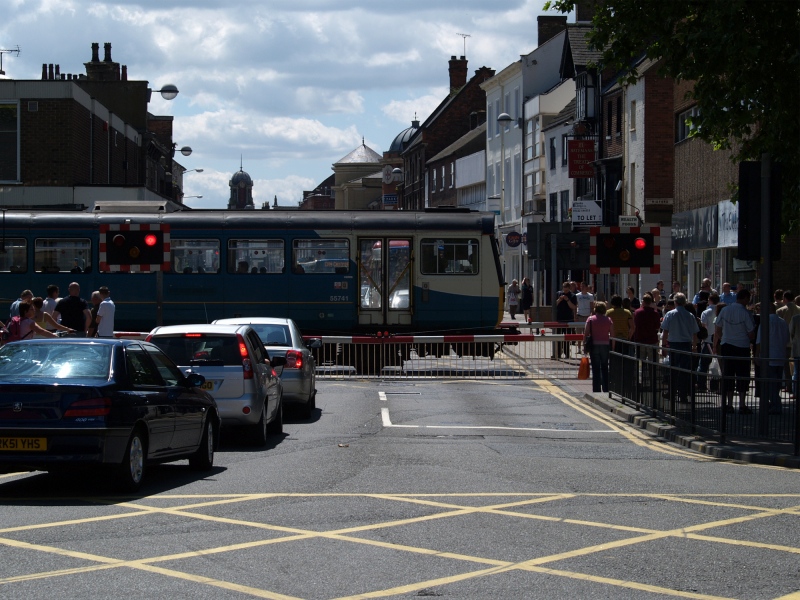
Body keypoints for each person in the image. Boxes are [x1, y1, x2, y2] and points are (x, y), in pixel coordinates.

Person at [714, 288, 755, 414]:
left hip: (727, 345)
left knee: (728, 374)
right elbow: (751, 333)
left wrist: (723, 338)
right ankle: (742, 404)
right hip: (742, 347)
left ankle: (729, 404)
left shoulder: (725, 310)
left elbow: (717, 328)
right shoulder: (746, 313)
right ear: (745, 298)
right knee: (742, 375)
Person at [660, 293, 699, 404]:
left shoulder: (670, 314)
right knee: (684, 371)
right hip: (686, 345)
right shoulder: (690, 315)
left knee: (673, 370)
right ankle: (683, 395)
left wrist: (663, 346)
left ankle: (671, 393)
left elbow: (665, 331)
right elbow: (695, 333)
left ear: (675, 302)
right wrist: (694, 347)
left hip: (674, 345)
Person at [755, 302, 790, 415]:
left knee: (770, 383)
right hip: (780, 355)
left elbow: (759, 341)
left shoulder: (765, 322)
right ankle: (774, 402)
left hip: (768, 356)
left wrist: (756, 355)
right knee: (777, 382)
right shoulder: (783, 322)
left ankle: (776, 404)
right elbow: (787, 338)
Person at [633, 293, 662, 387]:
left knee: (639, 363)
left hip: (640, 340)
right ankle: (653, 383)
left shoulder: (637, 312)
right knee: (653, 364)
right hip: (652, 341)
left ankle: (640, 383)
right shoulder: (655, 313)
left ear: (643, 301)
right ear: (650, 302)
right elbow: (657, 327)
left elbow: (634, 325)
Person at [584, 302, 612, 393]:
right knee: (604, 367)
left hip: (594, 345)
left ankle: (596, 390)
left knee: (595, 369)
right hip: (605, 345)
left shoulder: (590, 319)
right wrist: (613, 347)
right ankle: (606, 389)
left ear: (595, 309)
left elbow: (586, 333)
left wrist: (585, 345)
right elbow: (613, 334)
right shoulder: (608, 320)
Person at [776, 290, 800, 387]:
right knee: (796, 368)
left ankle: (788, 385)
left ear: (785, 299)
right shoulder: (799, 309)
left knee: (786, 366)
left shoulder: (780, 311)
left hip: (785, 342)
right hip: (797, 342)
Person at [696, 292, 720, 391]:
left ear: (709, 300)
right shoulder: (720, 311)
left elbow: (704, 326)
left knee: (703, 364)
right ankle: (714, 386)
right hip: (718, 341)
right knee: (716, 365)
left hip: (708, 340)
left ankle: (701, 385)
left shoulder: (706, 312)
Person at [554, 281, 576, 359]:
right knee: (559, 337)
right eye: (564, 289)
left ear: (569, 288)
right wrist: (559, 300)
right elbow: (554, 305)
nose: (565, 291)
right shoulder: (558, 294)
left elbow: (573, 307)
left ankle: (567, 353)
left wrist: (567, 300)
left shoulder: (572, 296)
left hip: (568, 319)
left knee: (567, 337)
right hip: (559, 319)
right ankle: (558, 353)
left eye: (566, 290)